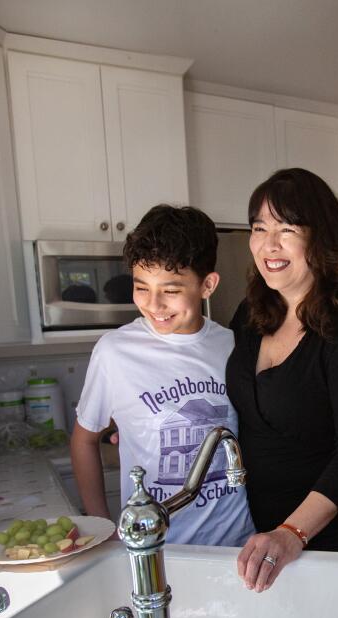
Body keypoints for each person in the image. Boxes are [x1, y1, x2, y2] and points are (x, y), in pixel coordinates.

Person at [229, 168, 338, 592]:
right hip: (273, 540)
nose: (269, 243)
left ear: (319, 237)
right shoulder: (250, 315)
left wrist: (293, 531)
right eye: (259, 228)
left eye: (287, 228)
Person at [70, 204, 254, 546]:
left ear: (208, 285)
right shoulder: (114, 352)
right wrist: (103, 529)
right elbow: (84, 439)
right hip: (160, 549)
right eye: (141, 287)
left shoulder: (232, 345)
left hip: (238, 545)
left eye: (170, 291)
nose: (154, 304)